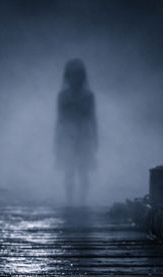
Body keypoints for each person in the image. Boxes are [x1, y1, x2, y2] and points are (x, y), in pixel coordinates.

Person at [55, 58, 98, 205]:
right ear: (68, 76)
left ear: (82, 76)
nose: (76, 78)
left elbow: (93, 118)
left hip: (84, 135)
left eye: (78, 74)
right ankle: (69, 201)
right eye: (73, 74)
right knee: (69, 170)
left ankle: (82, 201)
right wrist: (56, 141)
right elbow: (59, 120)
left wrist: (96, 139)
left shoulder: (88, 95)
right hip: (67, 135)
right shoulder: (63, 95)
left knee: (83, 170)